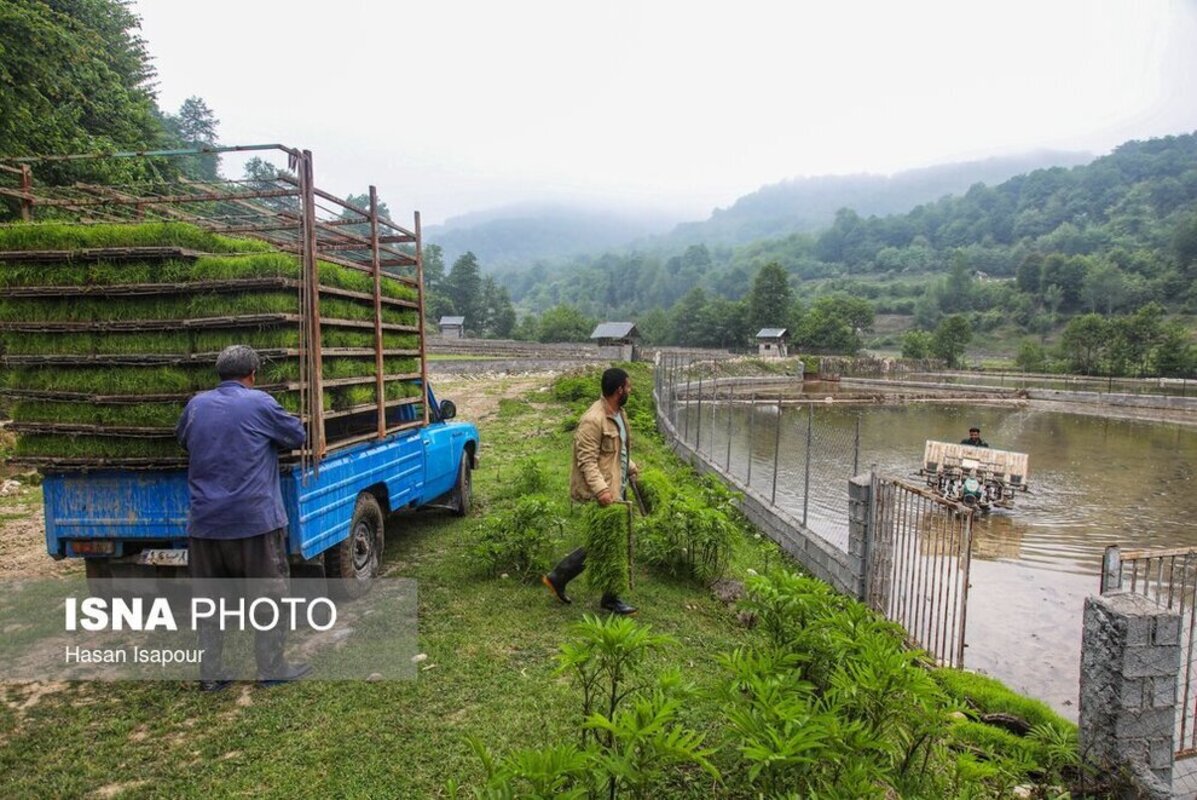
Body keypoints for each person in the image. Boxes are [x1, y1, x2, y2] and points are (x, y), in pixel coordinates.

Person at [176, 345, 309, 691]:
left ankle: (210, 675)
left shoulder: (195, 406)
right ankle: (271, 668)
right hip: (254, 521)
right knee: (268, 597)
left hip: (205, 524)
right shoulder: (260, 402)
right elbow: (297, 436)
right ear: (253, 374)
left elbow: (183, 440)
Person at [542, 367, 638, 616]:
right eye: (628, 387)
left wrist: (631, 467)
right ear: (619, 390)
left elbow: (619, 450)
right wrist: (602, 490)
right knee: (608, 542)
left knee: (605, 542)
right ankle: (609, 596)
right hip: (606, 490)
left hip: (618, 485)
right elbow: (587, 461)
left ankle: (559, 578)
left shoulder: (618, 413)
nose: (630, 390)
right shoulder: (592, 420)